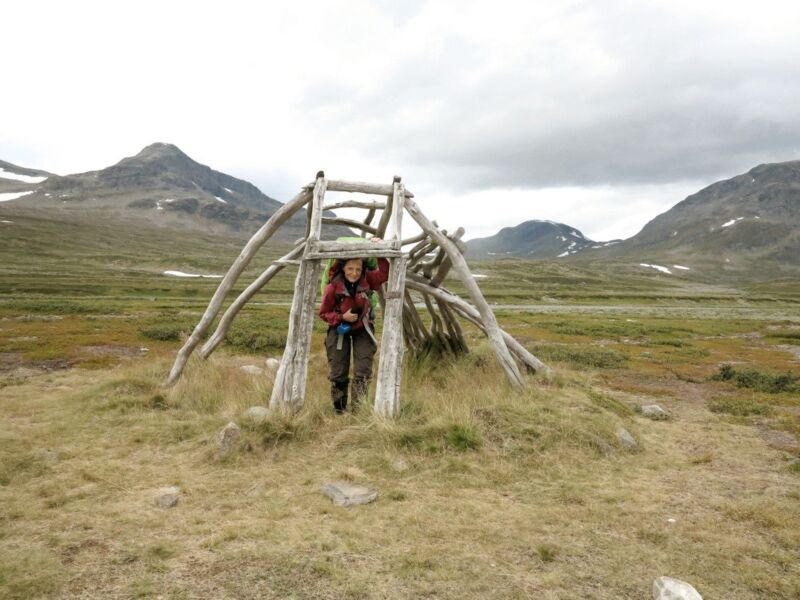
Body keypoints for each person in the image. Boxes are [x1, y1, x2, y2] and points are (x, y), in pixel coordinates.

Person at [319, 238, 389, 413]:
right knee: (338, 372)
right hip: (339, 328)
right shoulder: (332, 287)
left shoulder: (368, 279)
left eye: (358, 268)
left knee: (363, 372)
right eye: (350, 268)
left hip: (363, 328)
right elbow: (324, 313)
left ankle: (359, 410)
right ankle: (339, 410)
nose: (354, 272)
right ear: (343, 268)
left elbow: (384, 274)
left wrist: (379, 250)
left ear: (363, 268)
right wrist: (342, 317)